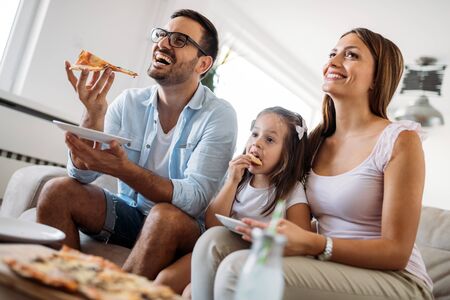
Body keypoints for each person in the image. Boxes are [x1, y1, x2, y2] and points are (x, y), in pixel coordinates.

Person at [191, 28, 434, 300]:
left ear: (377, 78)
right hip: (330, 264)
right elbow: (275, 188)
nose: (333, 61)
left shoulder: (400, 140)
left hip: (398, 281)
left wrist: (316, 243)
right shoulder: (316, 142)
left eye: (351, 55)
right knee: (212, 244)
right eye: (332, 53)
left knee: (237, 269)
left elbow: (396, 252)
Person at [36, 9, 237, 295]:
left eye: (179, 40)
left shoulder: (218, 115)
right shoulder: (129, 102)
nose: (163, 44)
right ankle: (63, 291)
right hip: (130, 214)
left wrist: (122, 169)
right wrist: (92, 115)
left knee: (163, 216)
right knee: (58, 190)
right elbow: (81, 173)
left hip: (181, 228)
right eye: (162, 35)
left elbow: (193, 201)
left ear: (203, 63)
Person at [189, 106, 311, 299]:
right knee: (169, 281)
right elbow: (212, 224)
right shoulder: (238, 180)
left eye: (269, 139)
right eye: (255, 134)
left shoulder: (291, 190)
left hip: (258, 257)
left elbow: (302, 239)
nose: (257, 143)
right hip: (224, 247)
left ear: (288, 154)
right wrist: (232, 181)